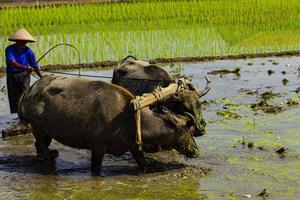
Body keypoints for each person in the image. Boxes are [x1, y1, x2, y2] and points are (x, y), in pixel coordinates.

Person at [5, 28, 42, 114]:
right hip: (12, 76)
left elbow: (34, 65)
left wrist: (42, 77)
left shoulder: (28, 51)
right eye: (22, 41)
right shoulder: (9, 49)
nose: (24, 43)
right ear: (17, 41)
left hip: (24, 76)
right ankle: (18, 116)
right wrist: (25, 68)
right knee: (14, 97)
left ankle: (25, 115)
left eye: (25, 41)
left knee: (25, 95)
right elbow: (12, 63)